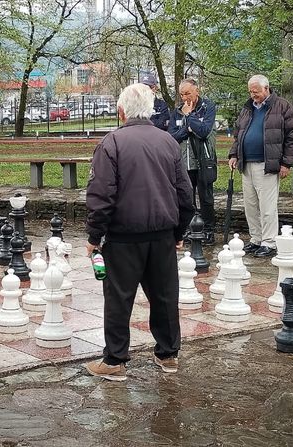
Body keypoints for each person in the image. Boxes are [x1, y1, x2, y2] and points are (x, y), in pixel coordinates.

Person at [84, 83, 194, 381]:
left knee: (119, 297)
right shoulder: (169, 142)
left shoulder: (112, 143)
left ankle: (115, 360)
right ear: (150, 110)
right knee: (164, 296)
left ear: (121, 112)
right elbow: (186, 194)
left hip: (123, 236)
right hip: (162, 233)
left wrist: (94, 237)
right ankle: (168, 354)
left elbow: (101, 195)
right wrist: (179, 231)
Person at [229, 75, 293, 258]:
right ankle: (256, 239)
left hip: (268, 164)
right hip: (246, 164)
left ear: (266, 88)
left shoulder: (282, 106)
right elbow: (238, 134)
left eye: (256, 91)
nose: (253, 95)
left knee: (267, 207)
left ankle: (269, 242)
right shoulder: (247, 109)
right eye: (251, 92)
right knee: (250, 205)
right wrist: (233, 154)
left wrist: (287, 162)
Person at [168, 78, 217, 245]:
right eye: (181, 94)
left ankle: (209, 231)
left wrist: (190, 117)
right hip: (184, 162)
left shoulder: (207, 107)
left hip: (203, 160)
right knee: (186, 198)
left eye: (187, 93)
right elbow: (172, 137)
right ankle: (190, 229)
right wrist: (187, 129)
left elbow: (204, 131)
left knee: (206, 198)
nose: (184, 97)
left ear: (197, 91)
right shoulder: (176, 111)